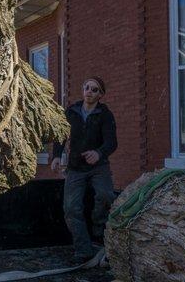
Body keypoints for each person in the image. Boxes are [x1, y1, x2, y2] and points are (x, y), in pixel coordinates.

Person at [51, 76, 117, 265]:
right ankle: (83, 249)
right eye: (87, 87)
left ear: (100, 95)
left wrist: (99, 153)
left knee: (105, 195)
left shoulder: (105, 115)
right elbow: (61, 135)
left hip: (98, 166)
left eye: (94, 89)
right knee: (71, 208)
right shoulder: (71, 112)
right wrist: (56, 155)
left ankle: (98, 225)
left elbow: (112, 142)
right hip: (76, 167)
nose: (89, 91)